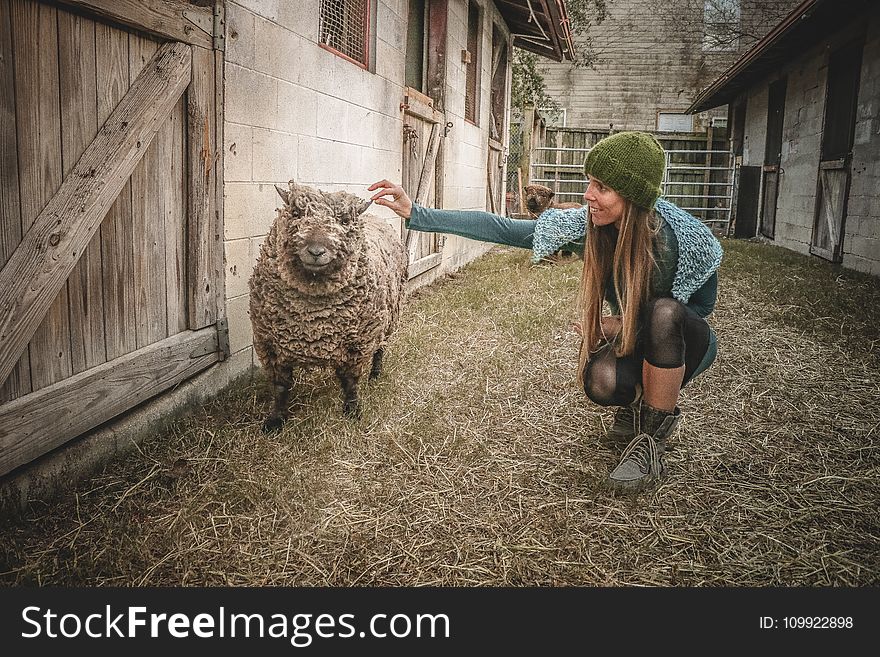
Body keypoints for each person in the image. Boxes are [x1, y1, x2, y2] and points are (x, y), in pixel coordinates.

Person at [368, 131, 722, 494]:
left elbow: (700, 308)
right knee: (600, 381)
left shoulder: (683, 239)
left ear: (631, 195)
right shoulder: (586, 228)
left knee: (664, 312)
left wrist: (621, 323)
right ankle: (635, 406)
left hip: (682, 344)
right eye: (590, 184)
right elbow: (501, 228)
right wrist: (417, 213)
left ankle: (651, 442)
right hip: (637, 339)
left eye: (601, 187)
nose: (588, 195)